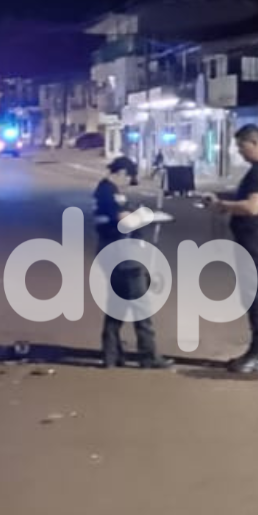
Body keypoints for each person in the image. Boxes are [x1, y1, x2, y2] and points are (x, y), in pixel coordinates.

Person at [210, 124, 258, 374]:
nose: (240, 153)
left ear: (255, 143)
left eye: (242, 147)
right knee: (250, 293)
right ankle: (255, 351)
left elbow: (253, 207)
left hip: (256, 241)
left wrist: (223, 205)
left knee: (255, 293)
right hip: (251, 240)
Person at [94, 156, 172, 370]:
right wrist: (147, 216)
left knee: (116, 305)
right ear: (121, 173)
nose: (129, 183)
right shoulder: (109, 192)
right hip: (122, 255)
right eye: (129, 178)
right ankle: (148, 355)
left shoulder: (104, 190)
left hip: (112, 253)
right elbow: (123, 220)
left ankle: (111, 354)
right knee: (141, 307)